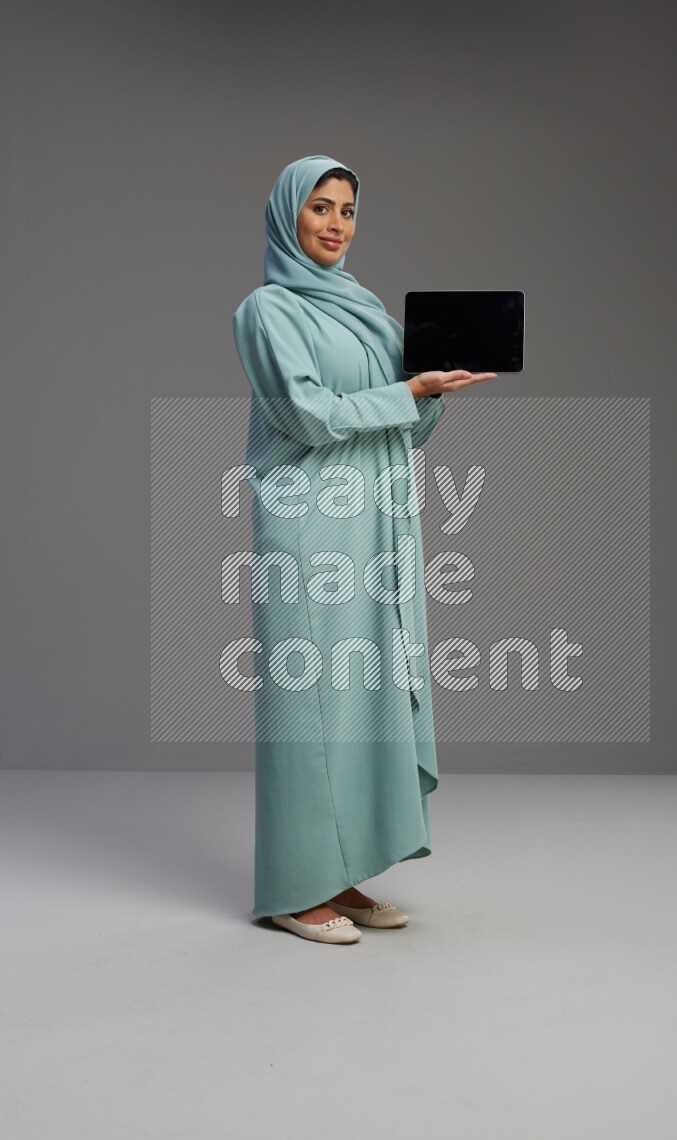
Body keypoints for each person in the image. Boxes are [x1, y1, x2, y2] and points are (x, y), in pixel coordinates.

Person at [232, 155, 497, 944]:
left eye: (348, 210)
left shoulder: (370, 311)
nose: (336, 223)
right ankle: (290, 887)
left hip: (374, 521)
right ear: (288, 215)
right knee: (309, 705)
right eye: (320, 207)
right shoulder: (267, 309)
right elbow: (308, 415)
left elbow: (402, 429)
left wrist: (431, 394)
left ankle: (337, 870)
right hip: (311, 523)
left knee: (357, 702)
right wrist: (405, 393)